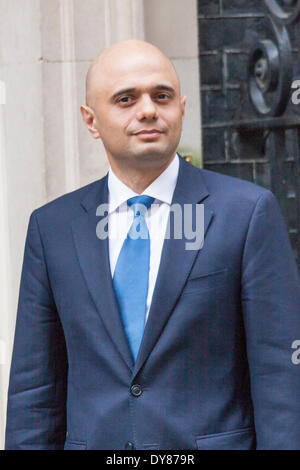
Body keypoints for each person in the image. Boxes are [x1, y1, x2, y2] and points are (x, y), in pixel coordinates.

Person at [5, 40, 300, 450]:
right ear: (90, 121)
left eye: (160, 96)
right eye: (125, 99)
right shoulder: (52, 228)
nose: (147, 110)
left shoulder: (247, 214)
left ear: (180, 107)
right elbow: (34, 389)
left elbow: (281, 376)